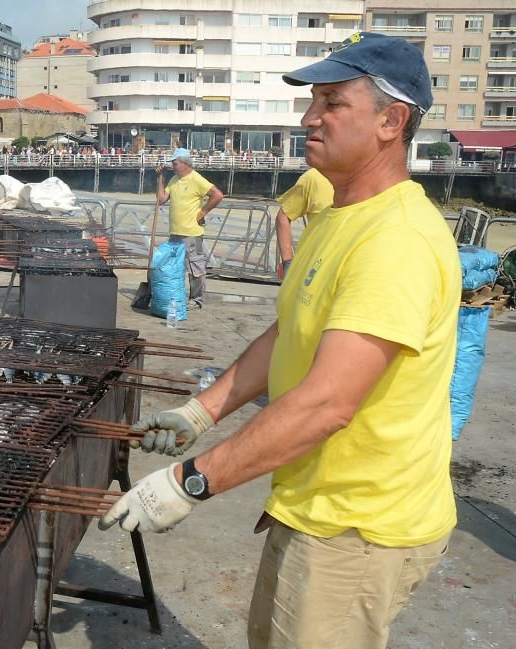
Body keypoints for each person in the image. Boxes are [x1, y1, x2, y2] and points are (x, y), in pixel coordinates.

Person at [101, 33, 458, 649]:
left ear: (391, 122)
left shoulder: (395, 240)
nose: (309, 117)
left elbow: (328, 403)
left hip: (358, 527)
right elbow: (290, 332)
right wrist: (201, 409)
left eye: (333, 102)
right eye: (313, 100)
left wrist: (190, 480)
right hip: (313, 506)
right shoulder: (340, 216)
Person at [154, 148, 224, 309]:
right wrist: (160, 178)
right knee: (172, 265)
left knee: (195, 267)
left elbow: (218, 195)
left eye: (175, 163)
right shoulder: (173, 180)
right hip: (175, 232)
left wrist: (203, 212)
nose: (172, 165)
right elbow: (161, 199)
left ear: (185, 163)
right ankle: (174, 294)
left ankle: (197, 299)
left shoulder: (196, 179)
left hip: (192, 232)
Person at [275, 167, 333, 276]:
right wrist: (288, 262)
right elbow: (283, 217)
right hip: (315, 267)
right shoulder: (314, 178)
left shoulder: (367, 180)